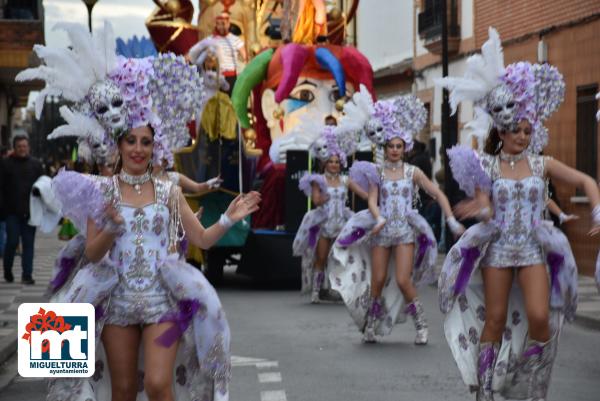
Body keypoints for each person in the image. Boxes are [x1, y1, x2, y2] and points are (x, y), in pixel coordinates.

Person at [18, 22, 260, 401]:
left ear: (154, 145)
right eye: (130, 140)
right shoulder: (103, 191)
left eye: (145, 141)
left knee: (160, 386)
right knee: (125, 390)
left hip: (162, 302)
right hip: (116, 303)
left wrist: (228, 217)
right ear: (119, 144)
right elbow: (94, 252)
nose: (138, 148)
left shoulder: (167, 190)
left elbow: (202, 240)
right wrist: (112, 228)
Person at [437, 27, 599, 401]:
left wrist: (597, 211)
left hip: (531, 250)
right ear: (501, 129)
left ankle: (526, 383)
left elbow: (587, 181)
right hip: (497, 251)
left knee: (541, 319)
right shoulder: (488, 167)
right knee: (494, 320)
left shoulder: (543, 164)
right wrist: (481, 208)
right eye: (515, 130)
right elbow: (487, 209)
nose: (522, 136)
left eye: (527, 130)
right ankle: (484, 390)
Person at [328, 92, 465, 344]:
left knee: (403, 279)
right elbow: (371, 200)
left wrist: (451, 219)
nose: (394, 150)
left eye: (398, 146)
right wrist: (378, 217)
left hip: (404, 233)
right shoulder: (377, 172)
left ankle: (421, 325)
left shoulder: (413, 172)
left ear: (405, 147)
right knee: (378, 280)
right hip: (381, 233)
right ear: (385, 147)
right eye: (390, 146)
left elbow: (438, 193)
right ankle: (370, 323)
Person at [293, 123, 366, 303]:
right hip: (324, 224)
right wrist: (322, 198)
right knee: (321, 257)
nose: (334, 165)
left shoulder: (345, 180)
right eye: (330, 162)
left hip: (342, 224)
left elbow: (363, 194)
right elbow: (316, 200)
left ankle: (339, 290)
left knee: (342, 260)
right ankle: (316, 292)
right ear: (324, 163)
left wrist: (376, 193)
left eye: (336, 162)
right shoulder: (318, 180)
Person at [2, 134, 43, 284]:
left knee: (28, 244)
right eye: (19, 146)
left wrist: (40, 192)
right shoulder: (5, 164)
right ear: (15, 147)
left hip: (30, 212)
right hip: (11, 212)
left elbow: (44, 183)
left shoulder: (36, 164)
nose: (22, 149)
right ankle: (7, 269)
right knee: (12, 242)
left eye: (24, 146)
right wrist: (2, 211)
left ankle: (27, 275)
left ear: (29, 147)